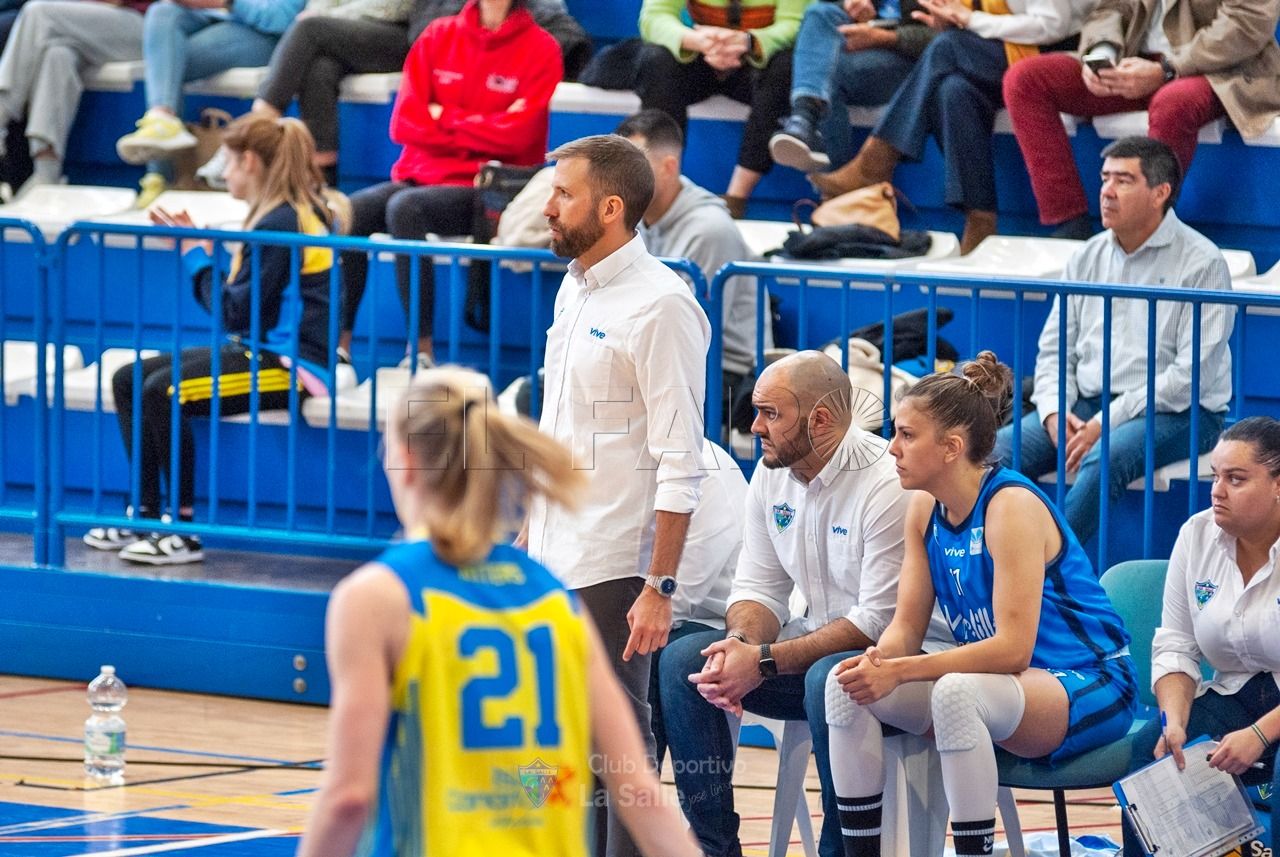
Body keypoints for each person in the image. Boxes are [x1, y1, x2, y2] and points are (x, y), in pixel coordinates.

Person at [294, 367, 703, 857]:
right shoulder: (553, 599)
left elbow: (348, 798)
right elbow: (637, 789)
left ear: (403, 458)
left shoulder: (379, 597)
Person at [826, 351, 1137, 857]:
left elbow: (1012, 650)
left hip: (1090, 680)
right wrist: (881, 661)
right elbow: (905, 625)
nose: (892, 449)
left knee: (955, 693)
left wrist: (902, 671)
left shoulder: (1010, 506)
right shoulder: (924, 508)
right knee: (847, 685)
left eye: (907, 435)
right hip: (1006, 688)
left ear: (951, 447)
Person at [660, 349, 951, 857]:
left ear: (819, 420)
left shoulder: (887, 483)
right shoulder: (774, 474)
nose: (754, 427)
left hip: (906, 667)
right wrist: (742, 645)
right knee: (685, 661)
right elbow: (757, 586)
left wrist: (766, 661)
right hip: (816, 659)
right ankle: (714, 848)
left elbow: (877, 623)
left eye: (770, 414)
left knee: (830, 680)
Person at [527, 133, 710, 857]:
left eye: (562, 194)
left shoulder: (663, 304)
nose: (547, 207)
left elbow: (680, 456)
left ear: (609, 208)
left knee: (617, 742)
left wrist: (660, 583)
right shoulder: (574, 284)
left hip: (614, 560)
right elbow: (563, 426)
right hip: (553, 548)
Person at [83, 114, 343, 565]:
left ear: (250, 162)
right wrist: (199, 247)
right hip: (259, 351)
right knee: (128, 378)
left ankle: (182, 531)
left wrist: (195, 258)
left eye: (228, 163)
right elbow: (248, 304)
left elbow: (235, 312)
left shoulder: (282, 224)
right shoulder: (280, 214)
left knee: (162, 391)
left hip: (291, 367)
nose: (223, 173)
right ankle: (144, 516)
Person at [993, 136, 1235, 549]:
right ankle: (973, 568)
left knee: (1105, 458)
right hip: (1087, 403)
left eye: (1123, 180)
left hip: (1181, 412)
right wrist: (1054, 411)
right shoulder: (1086, 257)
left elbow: (1189, 378)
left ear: (1160, 192)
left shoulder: (1203, 262)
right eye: (1105, 178)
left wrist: (1106, 422)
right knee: (993, 453)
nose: (1106, 190)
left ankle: (1045, 572)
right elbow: (1055, 349)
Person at [340, 0, 561, 368]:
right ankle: (339, 346)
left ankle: (420, 350)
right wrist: (487, 122)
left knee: (404, 208)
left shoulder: (541, 48)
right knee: (354, 210)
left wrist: (444, 119)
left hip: (484, 187)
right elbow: (404, 124)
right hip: (419, 174)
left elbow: (519, 138)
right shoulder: (437, 35)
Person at [807, 0, 1086, 253]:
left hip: (1054, 56)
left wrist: (972, 20)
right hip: (999, 46)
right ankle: (980, 218)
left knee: (947, 47)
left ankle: (876, 160)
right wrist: (948, 21)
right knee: (953, 90)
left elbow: (1053, 24)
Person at [1123, 416, 1280, 856]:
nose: (1217, 490)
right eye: (1215, 476)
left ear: (1278, 485)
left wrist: (1261, 735)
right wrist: (1175, 720)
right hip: (1239, 693)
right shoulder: (1196, 535)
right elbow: (1176, 643)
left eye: (1236, 479)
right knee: (1152, 754)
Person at [1003, 0, 1280, 239]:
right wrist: (1102, 53)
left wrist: (1168, 68)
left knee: (1173, 104)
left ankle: (1146, 233)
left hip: (1220, 71)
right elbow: (1110, 8)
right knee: (1025, 80)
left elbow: (1245, 25)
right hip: (1135, 62)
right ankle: (1069, 228)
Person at [614, 109, 766, 429]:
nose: (621, 178)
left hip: (725, 374)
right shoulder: (634, 217)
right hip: (663, 358)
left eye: (633, 166)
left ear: (669, 167)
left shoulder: (709, 229)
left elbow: (688, 334)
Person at [115, 0, 304, 207]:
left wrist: (225, 2)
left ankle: (159, 176)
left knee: (167, 60)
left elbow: (280, 19)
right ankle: (162, 118)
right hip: (216, 17)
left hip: (269, 36)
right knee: (162, 11)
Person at [635, 0, 807, 219]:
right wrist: (698, 41)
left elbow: (794, 24)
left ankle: (736, 198)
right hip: (700, 54)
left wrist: (749, 42)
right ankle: (661, 193)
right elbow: (654, 17)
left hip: (757, 62)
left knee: (787, 65)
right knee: (655, 60)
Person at [649, 439, 749, 770]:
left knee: (655, 653)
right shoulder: (616, 458)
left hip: (720, 620)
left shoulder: (707, 471)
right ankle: (607, 811)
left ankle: (705, 821)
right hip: (666, 612)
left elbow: (681, 594)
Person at [246, 0, 416, 189]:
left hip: (401, 33)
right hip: (347, 29)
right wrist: (320, 13)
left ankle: (257, 130)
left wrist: (328, 17)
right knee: (320, 69)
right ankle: (322, 179)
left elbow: (395, 7)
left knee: (309, 29)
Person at [0, 0, 155, 198]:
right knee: (58, 55)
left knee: (39, 12)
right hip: (96, 25)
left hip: (147, 27)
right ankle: (47, 175)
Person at [768, 0, 936, 174]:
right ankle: (804, 118)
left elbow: (942, 39)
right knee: (817, 13)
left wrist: (881, 37)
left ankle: (834, 184)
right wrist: (849, 5)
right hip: (850, 48)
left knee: (827, 73)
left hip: (907, 59)